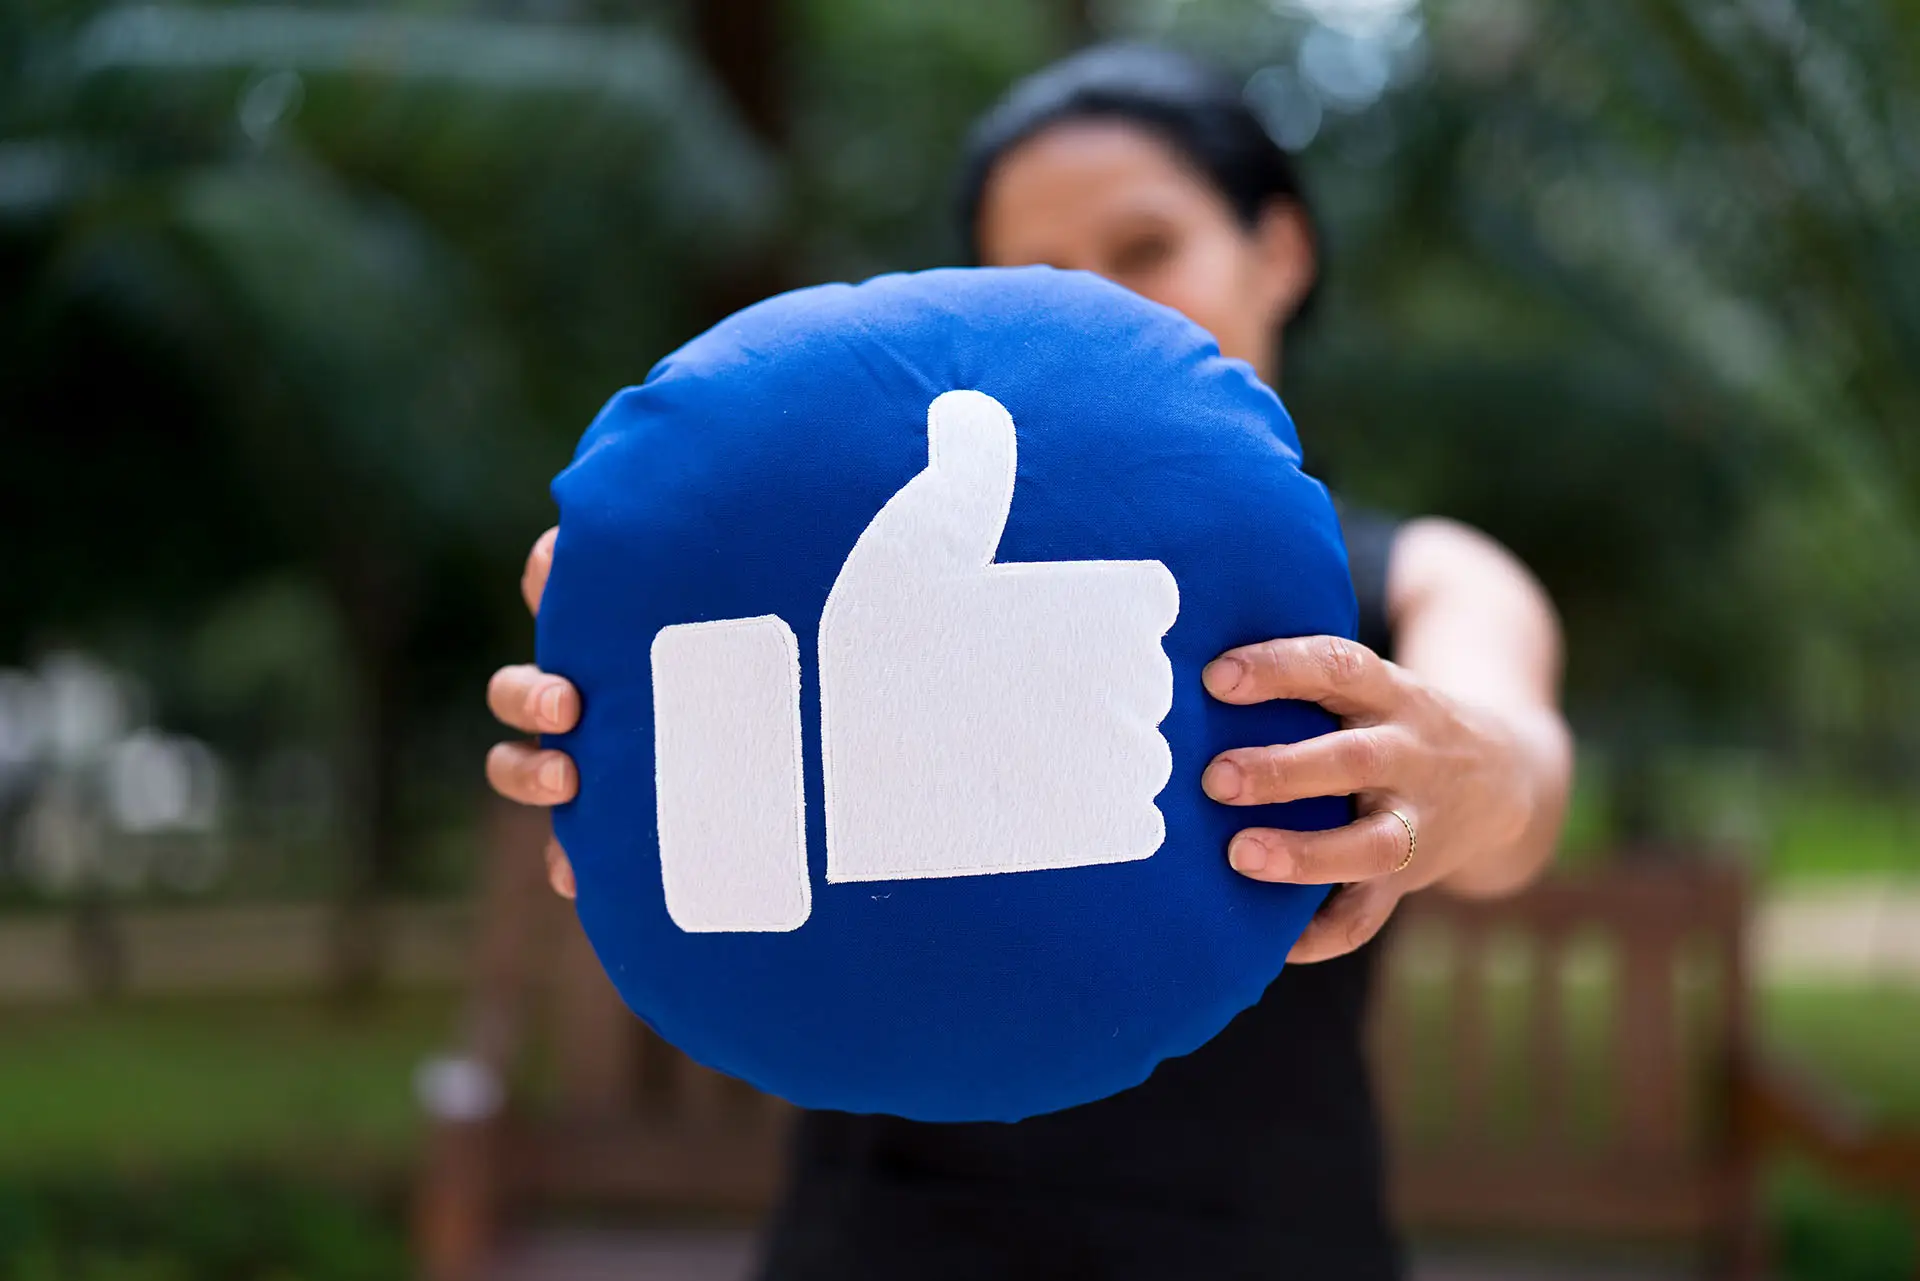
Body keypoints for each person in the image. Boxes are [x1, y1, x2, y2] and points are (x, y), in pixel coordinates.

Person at [484, 44, 1571, 1281]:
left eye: (1147, 248)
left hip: (1256, 1239)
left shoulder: (1422, 576)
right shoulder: (855, 553)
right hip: (883, 1236)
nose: (1106, 303)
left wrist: (1460, 778)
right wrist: (617, 743)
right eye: (1042, 276)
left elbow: (1521, 772)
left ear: (1281, 252)